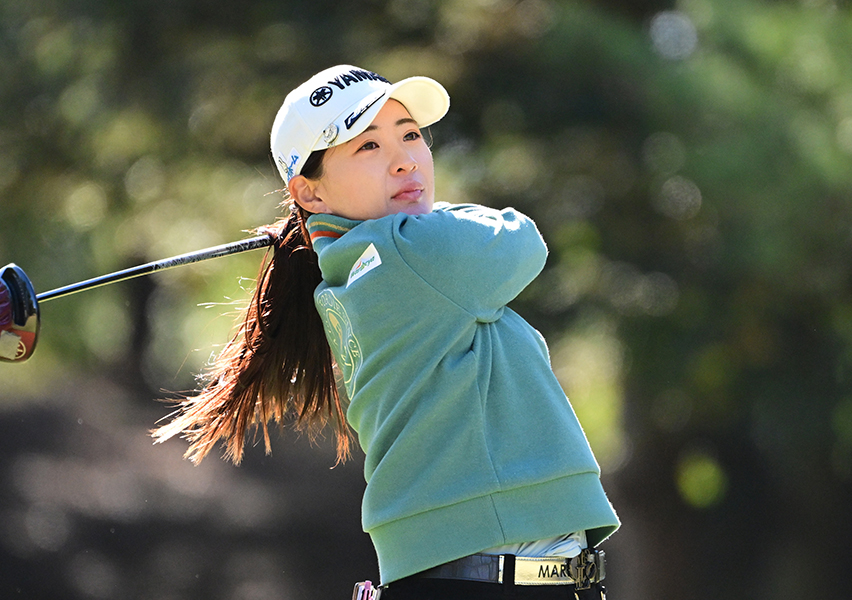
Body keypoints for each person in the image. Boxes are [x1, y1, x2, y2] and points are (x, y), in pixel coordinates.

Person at [153, 64, 619, 599]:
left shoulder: (359, 267)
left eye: (411, 135)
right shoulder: (411, 254)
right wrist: (424, 214)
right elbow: (521, 240)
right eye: (367, 146)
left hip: (484, 573)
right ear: (308, 191)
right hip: (487, 578)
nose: (404, 160)